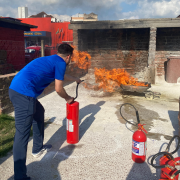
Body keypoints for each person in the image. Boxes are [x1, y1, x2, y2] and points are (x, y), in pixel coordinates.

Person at [9, 43, 82, 180]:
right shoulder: (61, 63)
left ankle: (37, 148)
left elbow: (61, 75)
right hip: (24, 94)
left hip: (15, 88)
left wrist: (75, 79)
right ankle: (19, 176)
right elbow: (59, 89)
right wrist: (68, 98)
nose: (70, 60)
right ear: (68, 56)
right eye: (71, 57)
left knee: (39, 112)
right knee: (22, 134)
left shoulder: (52, 59)